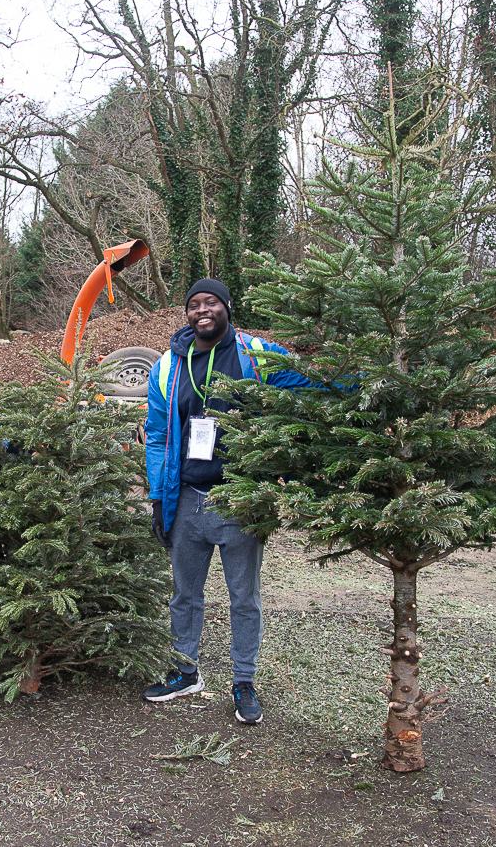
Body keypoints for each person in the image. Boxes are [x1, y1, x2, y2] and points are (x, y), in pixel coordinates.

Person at [143, 279, 311, 723]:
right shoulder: (166, 368)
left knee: (244, 598)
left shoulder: (256, 356)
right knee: (185, 594)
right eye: (195, 304)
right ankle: (185, 671)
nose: (203, 310)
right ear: (187, 313)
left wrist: (351, 369)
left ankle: (244, 681)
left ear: (227, 307)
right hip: (187, 499)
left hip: (241, 500)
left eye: (211, 302)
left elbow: (306, 382)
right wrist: (159, 498)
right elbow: (159, 436)